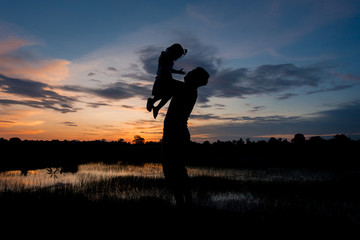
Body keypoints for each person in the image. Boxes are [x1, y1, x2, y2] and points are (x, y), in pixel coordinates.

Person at [161, 67, 209, 207]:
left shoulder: (185, 88)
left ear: (194, 79)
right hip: (177, 132)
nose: (187, 74)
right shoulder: (188, 89)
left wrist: (167, 65)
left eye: (190, 73)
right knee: (176, 169)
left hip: (176, 133)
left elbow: (165, 79)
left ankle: (183, 204)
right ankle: (184, 203)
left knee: (174, 170)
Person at [146, 43, 187, 119]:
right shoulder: (165, 56)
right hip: (163, 79)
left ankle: (154, 105)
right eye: (177, 56)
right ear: (174, 52)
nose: (177, 58)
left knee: (168, 94)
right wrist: (165, 79)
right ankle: (153, 103)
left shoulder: (170, 59)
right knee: (172, 91)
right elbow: (163, 68)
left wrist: (177, 72)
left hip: (167, 78)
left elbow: (168, 69)